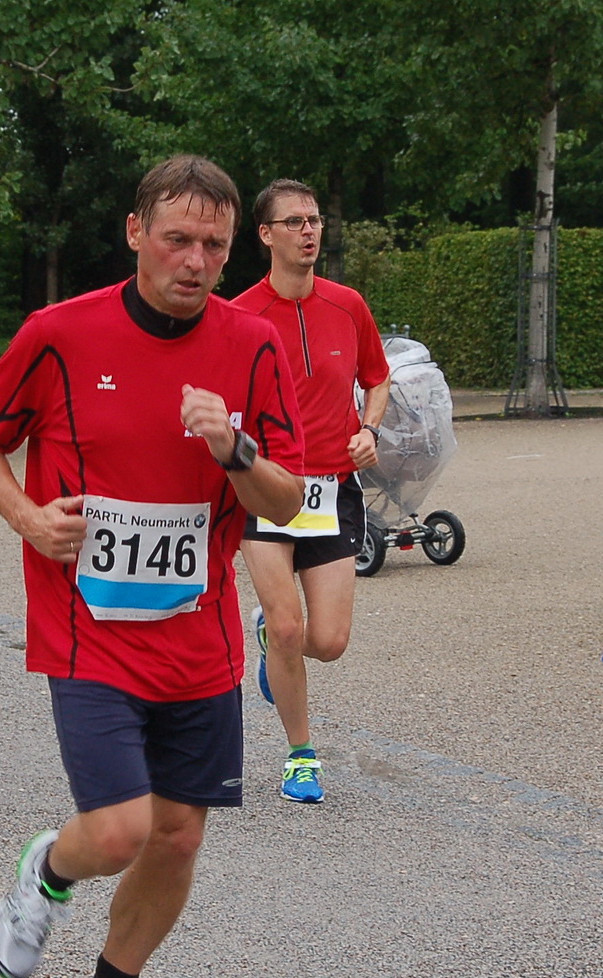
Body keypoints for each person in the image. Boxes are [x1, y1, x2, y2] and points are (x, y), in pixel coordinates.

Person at [0, 155, 304, 978]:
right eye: (178, 238)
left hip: (200, 637)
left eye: (214, 246)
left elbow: (290, 490)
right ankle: (48, 869)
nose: (195, 261)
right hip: (90, 628)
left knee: (180, 834)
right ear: (135, 233)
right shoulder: (58, 333)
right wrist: (28, 519)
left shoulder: (252, 345)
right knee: (117, 829)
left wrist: (233, 446)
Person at [232, 179, 390, 804]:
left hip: (333, 490)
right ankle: (301, 755)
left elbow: (376, 377)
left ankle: (273, 643)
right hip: (266, 491)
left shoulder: (348, 305)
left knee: (328, 641)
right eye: (294, 221)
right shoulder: (239, 315)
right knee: (291, 626)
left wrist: (369, 429)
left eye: (315, 220)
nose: (309, 231)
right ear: (267, 235)